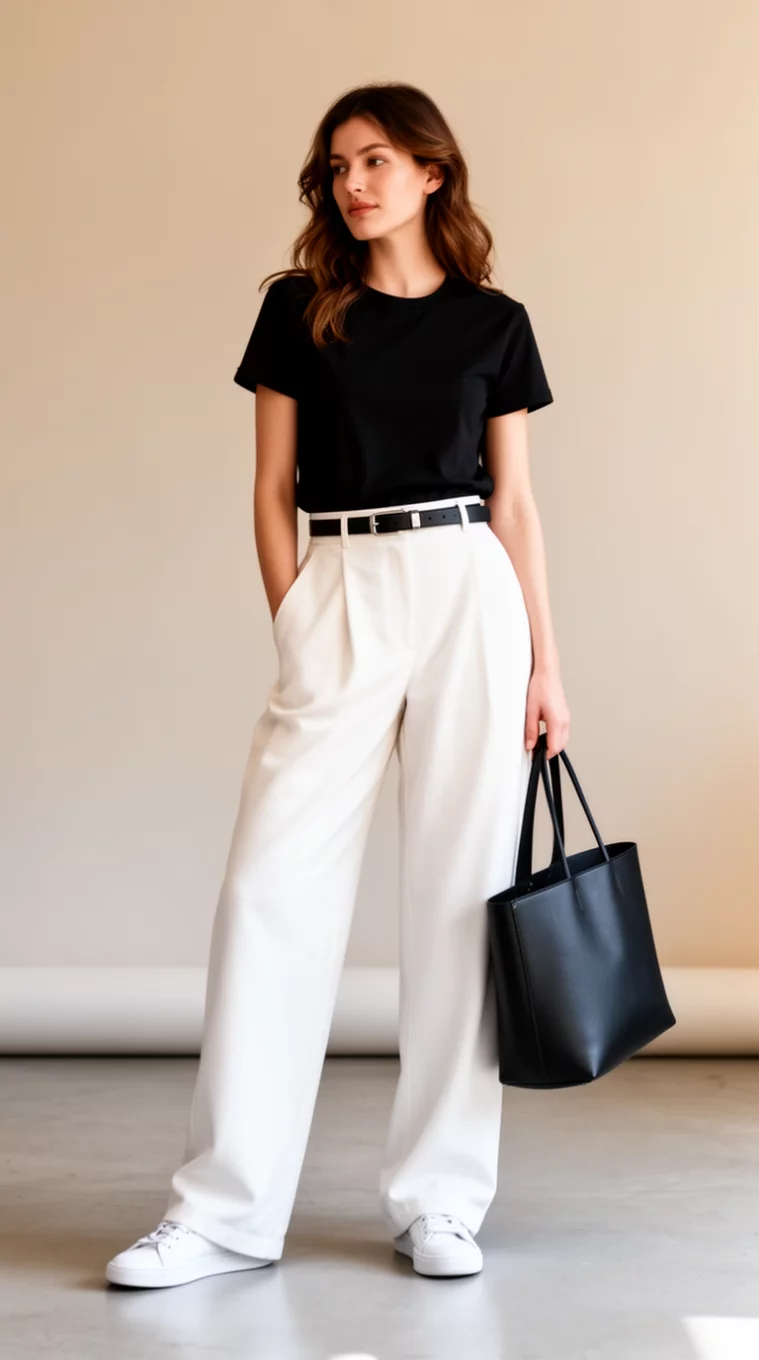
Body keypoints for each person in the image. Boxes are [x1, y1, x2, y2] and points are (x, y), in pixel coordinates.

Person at [105, 80, 571, 1290]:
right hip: (344, 581)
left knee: (464, 894)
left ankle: (440, 1200)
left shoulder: (495, 323)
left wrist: (547, 664)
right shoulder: (299, 311)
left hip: (471, 589)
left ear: (431, 172)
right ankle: (223, 1210)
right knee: (268, 892)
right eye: (337, 167)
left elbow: (515, 506)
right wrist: (299, 620)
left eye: (374, 161)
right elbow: (270, 491)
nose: (352, 183)